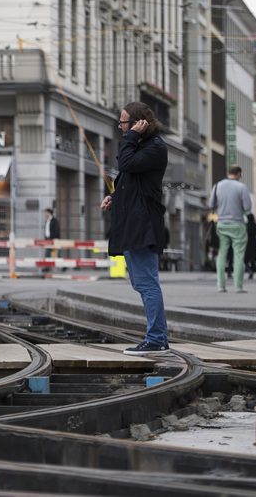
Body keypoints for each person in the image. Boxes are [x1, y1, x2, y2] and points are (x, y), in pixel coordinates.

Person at [100, 102, 169, 356]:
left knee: (148, 283)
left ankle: (157, 339)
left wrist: (131, 136)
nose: (120, 127)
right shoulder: (143, 145)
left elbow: (126, 164)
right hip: (134, 224)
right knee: (142, 283)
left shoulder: (155, 148)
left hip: (143, 226)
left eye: (124, 123)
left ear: (139, 123)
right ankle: (157, 337)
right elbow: (133, 183)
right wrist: (115, 198)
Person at [209, 165, 252, 293]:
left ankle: (220, 285)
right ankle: (238, 286)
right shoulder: (241, 187)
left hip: (222, 224)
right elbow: (248, 207)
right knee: (239, 255)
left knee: (222, 254)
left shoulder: (217, 186)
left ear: (228, 173)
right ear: (238, 174)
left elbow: (211, 204)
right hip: (237, 224)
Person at [244, 213, 256, 281]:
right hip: (254, 244)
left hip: (246, 244)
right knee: (253, 261)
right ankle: (252, 271)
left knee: (245, 260)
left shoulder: (246, 226)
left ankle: (249, 270)